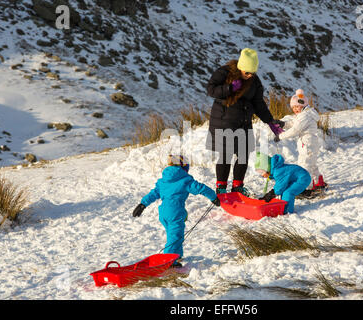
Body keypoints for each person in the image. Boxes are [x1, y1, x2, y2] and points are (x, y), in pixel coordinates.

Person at [206, 48, 285, 195]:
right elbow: (211, 90)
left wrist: (270, 121)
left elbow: (258, 104)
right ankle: (221, 189)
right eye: (246, 72)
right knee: (226, 154)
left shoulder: (254, 81)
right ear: (240, 67)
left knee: (243, 154)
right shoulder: (224, 73)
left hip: (244, 122)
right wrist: (229, 88)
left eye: (252, 73)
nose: (249, 75)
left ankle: (238, 187)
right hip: (224, 121)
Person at [132, 155, 220, 268]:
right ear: (184, 167)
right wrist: (213, 197)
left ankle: (176, 255)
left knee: (174, 235)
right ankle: (169, 261)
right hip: (175, 212)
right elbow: (201, 188)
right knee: (175, 237)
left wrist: (142, 204)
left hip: (163, 213)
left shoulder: (163, 181)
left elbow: (153, 194)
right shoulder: (185, 180)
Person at [278, 89, 326, 191]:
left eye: (297, 106)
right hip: (309, 142)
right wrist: (283, 124)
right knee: (311, 164)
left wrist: (280, 136)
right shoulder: (304, 114)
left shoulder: (305, 115)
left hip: (307, 143)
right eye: (293, 107)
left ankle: (306, 188)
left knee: (305, 166)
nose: (295, 109)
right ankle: (318, 181)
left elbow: (296, 129)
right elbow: (295, 123)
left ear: (303, 104)